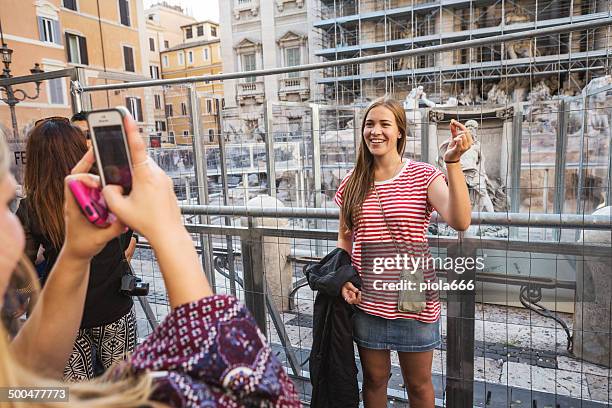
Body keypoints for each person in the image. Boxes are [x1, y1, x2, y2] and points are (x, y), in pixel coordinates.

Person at [0, 114, 300, 406]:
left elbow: (34, 381)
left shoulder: (11, 388)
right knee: (122, 384)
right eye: (3, 204)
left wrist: (72, 257)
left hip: (77, 319)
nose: (12, 215)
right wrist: (168, 230)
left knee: (74, 387)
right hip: (113, 307)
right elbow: (249, 391)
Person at [335, 97, 472, 407]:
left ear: (399, 132)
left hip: (414, 299)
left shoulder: (423, 175)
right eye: (370, 124)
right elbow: (345, 241)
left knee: (419, 385)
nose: (375, 131)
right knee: (373, 381)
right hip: (368, 301)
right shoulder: (351, 183)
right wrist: (344, 279)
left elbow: (460, 220)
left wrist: (452, 162)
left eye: (385, 124)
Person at [15, 118, 137, 381]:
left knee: (76, 394)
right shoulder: (105, 192)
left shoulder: (32, 205)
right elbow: (128, 238)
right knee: (125, 386)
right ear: (77, 148)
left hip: (63, 311)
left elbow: (24, 269)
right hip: (112, 304)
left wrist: (23, 298)